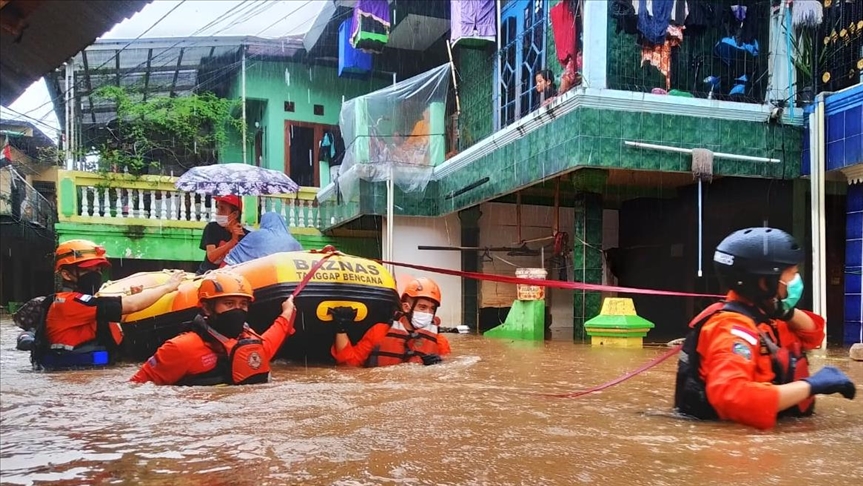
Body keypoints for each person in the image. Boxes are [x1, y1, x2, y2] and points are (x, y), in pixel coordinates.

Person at [674, 227, 856, 429]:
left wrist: (784, 311)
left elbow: (813, 334)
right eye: (792, 274)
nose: (796, 281)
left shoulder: (766, 315)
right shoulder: (732, 328)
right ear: (764, 282)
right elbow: (732, 396)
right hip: (738, 445)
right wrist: (810, 386)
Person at [32, 239, 184, 369]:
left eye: (98, 269)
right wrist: (167, 287)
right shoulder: (67, 303)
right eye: (88, 270)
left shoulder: (86, 304)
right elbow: (131, 305)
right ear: (66, 274)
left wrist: (137, 296)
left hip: (94, 370)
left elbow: (117, 314)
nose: (96, 274)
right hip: (76, 377)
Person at [130, 271, 296, 386]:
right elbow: (136, 388)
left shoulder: (252, 345)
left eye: (243, 304)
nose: (237, 310)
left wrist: (288, 311)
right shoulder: (180, 348)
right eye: (229, 304)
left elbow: (276, 333)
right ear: (207, 308)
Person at [332, 277, 451, 367]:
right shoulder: (379, 332)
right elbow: (349, 363)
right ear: (406, 307)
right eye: (422, 307)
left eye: (432, 309)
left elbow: (451, 369)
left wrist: (440, 364)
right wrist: (341, 329)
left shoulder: (440, 341)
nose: (428, 313)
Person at [197, 195, 249, 275]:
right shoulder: (212, 228)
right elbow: (211, 257)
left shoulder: (246, 236)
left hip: (232, 278)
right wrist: (232, 242)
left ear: (235, 214)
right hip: (206, 275)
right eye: (217, 207)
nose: (218, 212)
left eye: (222, 209)